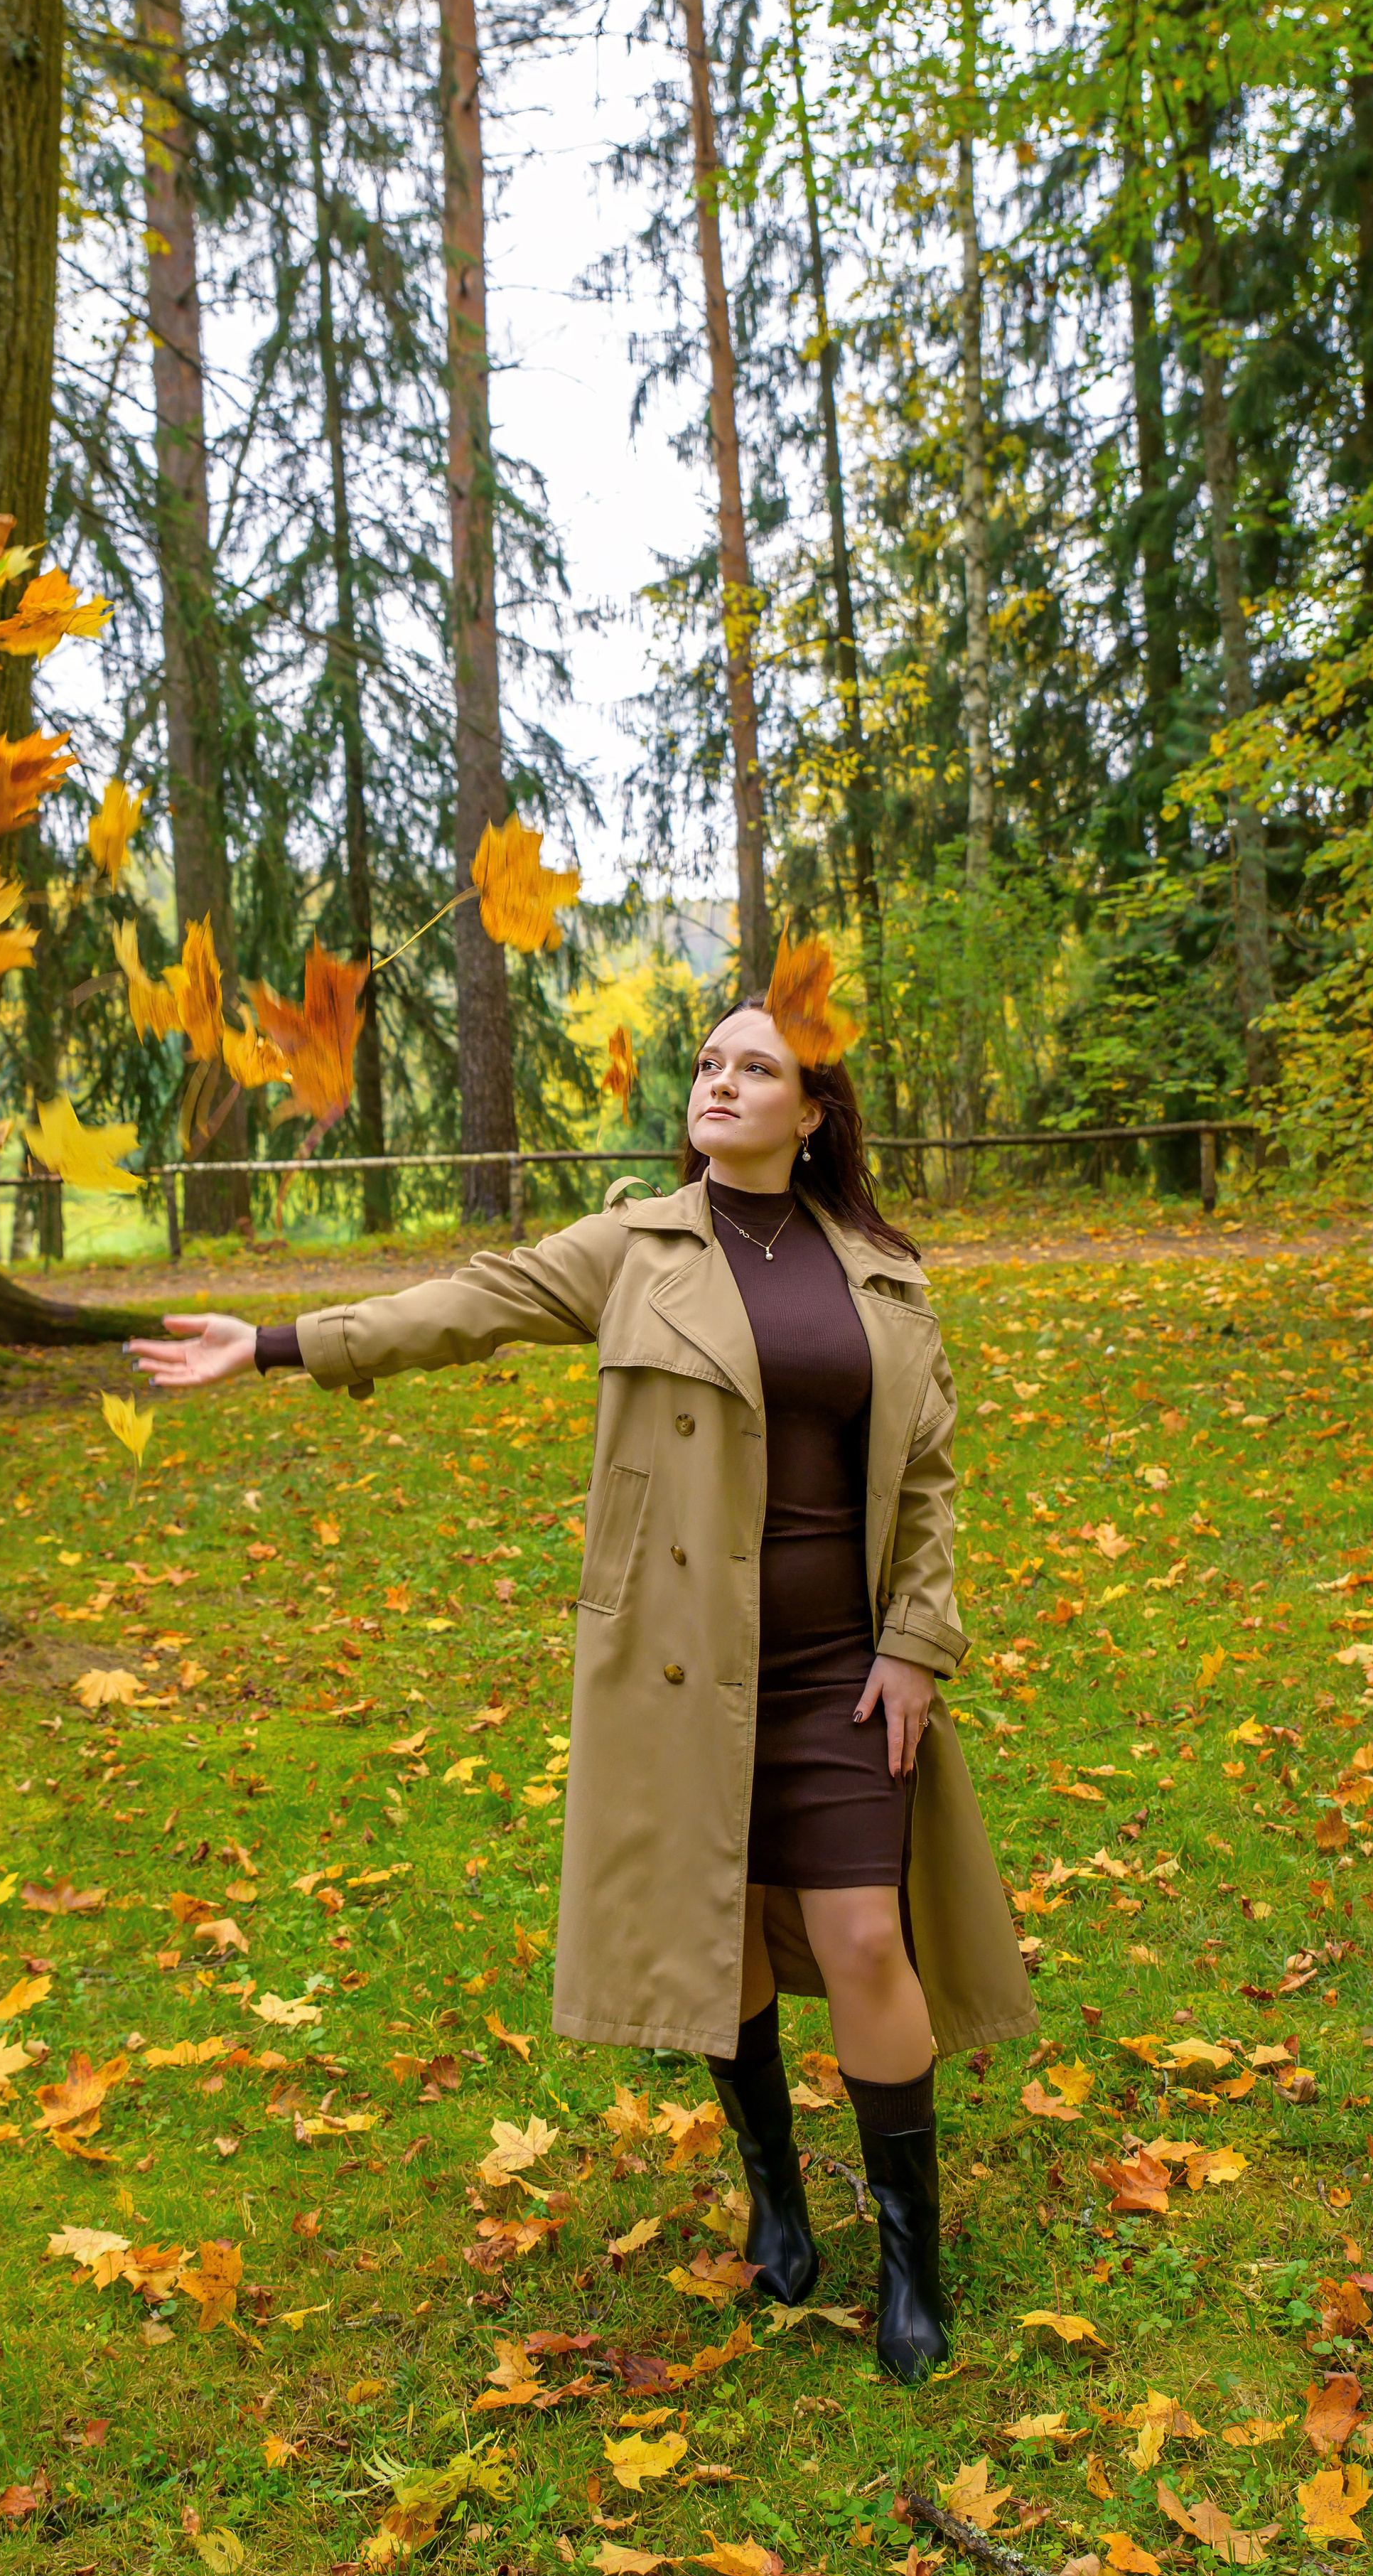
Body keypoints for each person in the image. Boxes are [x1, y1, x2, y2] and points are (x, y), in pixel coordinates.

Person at [128, 995, 1036, 2378]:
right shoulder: (635, 1247)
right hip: (680, 1667)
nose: (718, 1081)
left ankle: (912, 2256)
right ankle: (777, 2194)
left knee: (863, 1937)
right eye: (708, 1061)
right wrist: (277, 1342)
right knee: (717, 1930)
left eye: (755, 1067)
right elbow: (469, 1305)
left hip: (838, 1677)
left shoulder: (879, 1278)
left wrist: (916, 1638)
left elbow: (925, 1479)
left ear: (814, 1110)